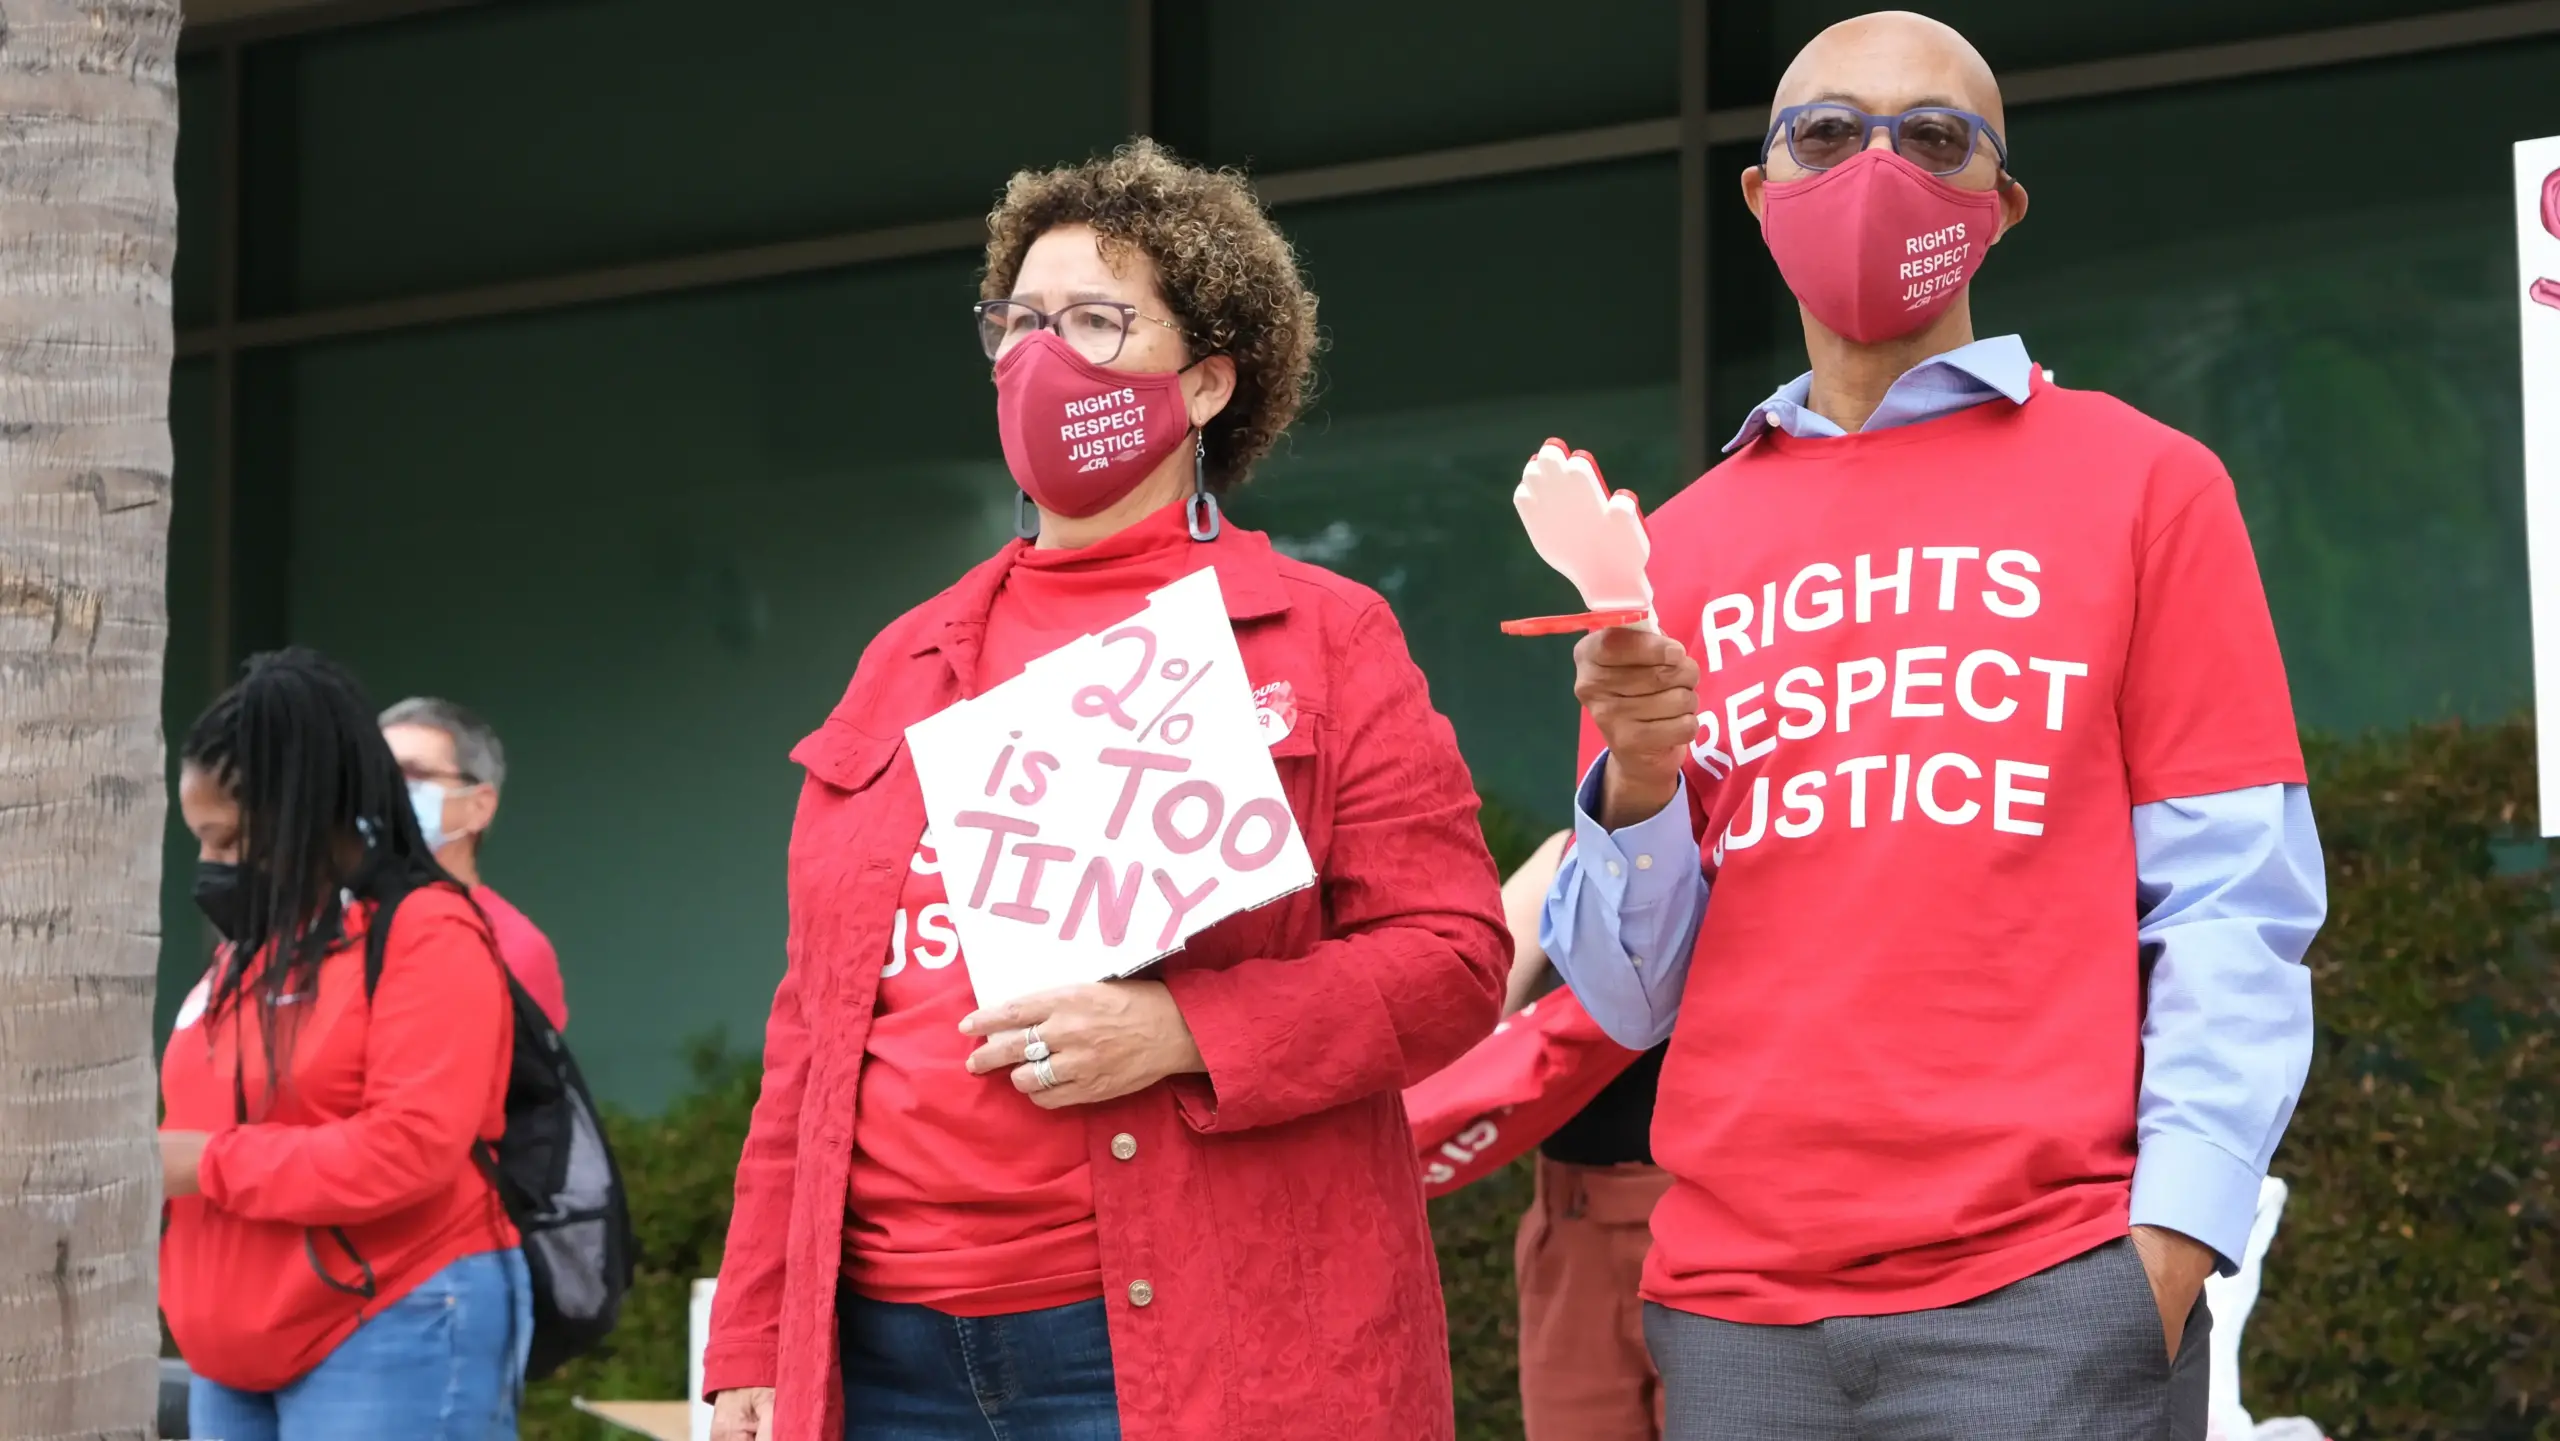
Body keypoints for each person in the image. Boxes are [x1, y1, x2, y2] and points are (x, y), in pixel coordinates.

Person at [1542, 13, 2325, 1440]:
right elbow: (1625, 995)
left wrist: (2170, 1252)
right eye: (1826, 135)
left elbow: (2233, 900)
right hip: (1736, 1319)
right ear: (1761, 194)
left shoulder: (2150, 486)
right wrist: (1640, 782)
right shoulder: (1667, 552)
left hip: (2053, 1298)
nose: (1876, 166)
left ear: (1999, 204)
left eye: (1934, 137)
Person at [705, 139, 1510, 1441]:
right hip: (880, 1354)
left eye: (1095, 319)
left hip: (1157, 1338)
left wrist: (1186, 1029)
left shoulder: (1320, 635)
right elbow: (810, 1033)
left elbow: (1456, 959)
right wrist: (755, 1334)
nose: (1042, 354)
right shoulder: (903, 659)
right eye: (1019, 321)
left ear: (1204, 383)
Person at [159, 648, 529, 1440]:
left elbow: (410, 1146)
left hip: (394, 1319)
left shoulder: (427, 932)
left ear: (306, 816)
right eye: (199, 839)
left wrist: (204, 1162)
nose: (209, 867)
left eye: (229, 841)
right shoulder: (248, 949)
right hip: (232, 1353)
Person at [1499, 829, 1674, 1441]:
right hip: (1575, 1219)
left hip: (1723, 1217)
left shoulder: (1778, 845)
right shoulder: (1574, 852)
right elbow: (1469, 990)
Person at [382, 696, 568, 1030]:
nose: (386, 792)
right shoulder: (335, 930)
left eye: (413, 775)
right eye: (376, 774)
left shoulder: (511, 947)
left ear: (478, 807)